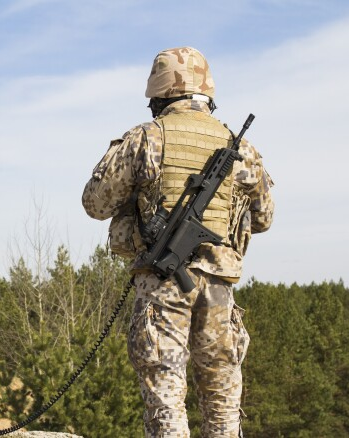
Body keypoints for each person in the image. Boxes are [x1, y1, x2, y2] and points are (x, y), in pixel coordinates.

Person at [82, 47, 274, 437]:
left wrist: (136, 204)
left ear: (158, 93)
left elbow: (95, 203)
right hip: (219, 289)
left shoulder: (145, 138)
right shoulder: (241, 149)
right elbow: (264, 218)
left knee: (166, 402)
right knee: (223, 405)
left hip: (162, 284)